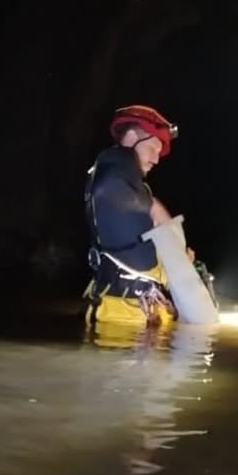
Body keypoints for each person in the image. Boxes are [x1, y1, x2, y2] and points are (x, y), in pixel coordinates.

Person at [83, 104, 183, 331]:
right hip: (126, 319)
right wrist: (151, 206)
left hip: (130, 312)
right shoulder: (112, 176)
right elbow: (107, 190)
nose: (156, 159)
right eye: (153, 148)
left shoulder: (125, 180)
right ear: (130, 137)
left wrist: (179, 254)